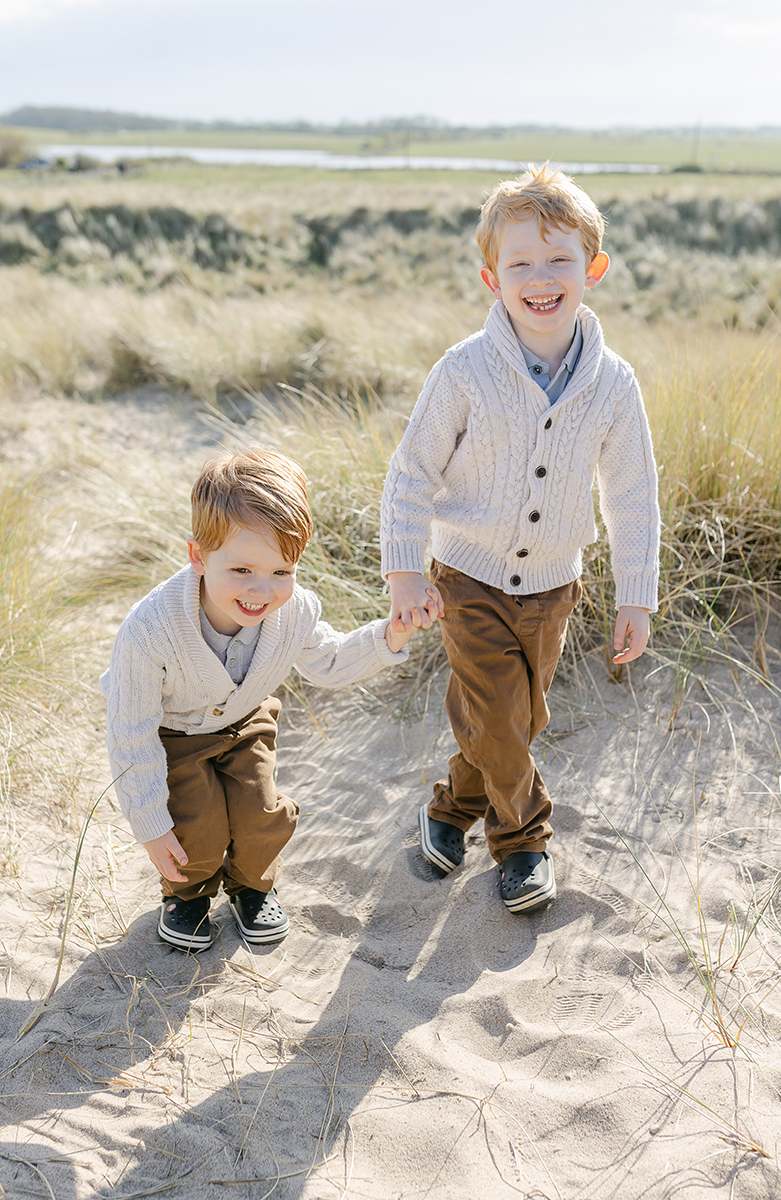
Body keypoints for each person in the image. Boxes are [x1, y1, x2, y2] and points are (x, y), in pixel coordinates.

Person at [380, 163, 660, 914]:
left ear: (592, 270)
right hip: (466, 579)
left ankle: (450, 808)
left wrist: (637, 595)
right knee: (502, 714)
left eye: (559, 259)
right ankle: (524, 841)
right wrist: (406, 571)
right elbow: (410, 473)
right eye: (520, 263)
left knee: (519, 718)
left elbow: (632, 496)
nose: (541, 278)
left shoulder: (613, 383)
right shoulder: (464, 371)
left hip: (554, 587)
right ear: (490, 277)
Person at [102, 446, 433, 951]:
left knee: (260, 815)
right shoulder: (150, 630)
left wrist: (388, 636)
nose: (262, 590)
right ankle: (187, 894)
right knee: (197, 826)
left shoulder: (292, 612)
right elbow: (132, 732)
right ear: (199, 557)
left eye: (282, 571)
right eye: (241, 571)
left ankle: (252, 888)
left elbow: (329, 659)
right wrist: (150, 825)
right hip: (174, 733)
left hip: (245, 721)